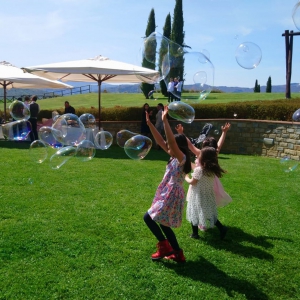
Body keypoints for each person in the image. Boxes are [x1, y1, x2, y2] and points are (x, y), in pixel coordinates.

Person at [143, 105, 191, 263]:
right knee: (164, 224)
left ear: (178, 146)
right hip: (169, 192)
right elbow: (161, 140)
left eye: (172, 145)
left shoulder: (181, 158)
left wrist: (165, 120)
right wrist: (150, 124)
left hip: (171, 195)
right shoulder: (174, 156)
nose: (168, 146)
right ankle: (178, 253)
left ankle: (165, 247)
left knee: (148, 218)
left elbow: (170, 141)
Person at [185, 147, 228, 239]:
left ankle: (195, 234)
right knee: (208, 213)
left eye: (199, 155)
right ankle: (222, 228)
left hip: (198, 195)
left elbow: (193, 182)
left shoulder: (199, 170)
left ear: (204, 158)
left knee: (194, 212)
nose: (197, 156)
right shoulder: (211, 170)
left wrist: (186, 177)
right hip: (207, 195)